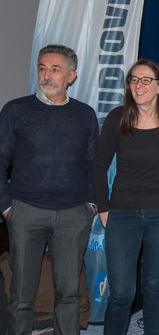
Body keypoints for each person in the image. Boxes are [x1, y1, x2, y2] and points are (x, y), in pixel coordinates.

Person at [0, 44, 98, 335]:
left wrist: (91, 205)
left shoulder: (84, 114)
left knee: (68, 295)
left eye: (55, 69)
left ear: (71, 75)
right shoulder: (16, 110)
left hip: (73, 214)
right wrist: (6, 206)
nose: (46, 74)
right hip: (25, 213)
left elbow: (95, 164)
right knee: (20, 296)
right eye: (42, 67)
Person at [93, 59, 159, 335]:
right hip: (122, 213)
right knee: (122, 292)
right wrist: (103, 207)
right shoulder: (117, 118)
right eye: (134, 79)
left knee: (154, 287)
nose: (138, 85)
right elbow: (99, 165)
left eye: (146, 80)